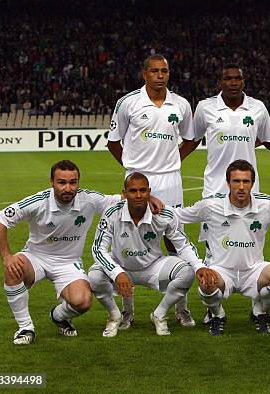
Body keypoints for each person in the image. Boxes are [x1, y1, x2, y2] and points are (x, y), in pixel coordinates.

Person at [106, 54, 195, 328]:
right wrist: (133, 171)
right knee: (127, 238)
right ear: (144, 74)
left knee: (174, 239)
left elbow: (190, 138)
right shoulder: (127, 103)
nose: (160, 75)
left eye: (164, 71)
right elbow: (113, 142)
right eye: (154, 71)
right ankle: (127, 310)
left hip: (170, 181)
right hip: (137, 182)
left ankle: (181, 307)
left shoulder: (180, 104)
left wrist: (172, 162)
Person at [0, 160, 121, 345]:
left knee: (83, 301)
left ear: (78, 182)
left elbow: (125, 199)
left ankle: (58, 316)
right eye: (61, 182)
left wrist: (151, 199)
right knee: (13, 269)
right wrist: (7, 257)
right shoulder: (38, 201)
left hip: (68, 262)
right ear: (51, 182)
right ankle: (25, 327)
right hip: (35, 256)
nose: (68, 188)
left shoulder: (89, 199)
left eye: (73, 182)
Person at [173, 160, 270, 335]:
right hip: (222, 270)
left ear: (252, 184)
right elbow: (178, 215)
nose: (241, 187)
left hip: (254, 269)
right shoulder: (210, 206)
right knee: (207, 284)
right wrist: (151, 204)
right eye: (236, 181)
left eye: (246, 181)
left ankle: (259, 312)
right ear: (228, 183)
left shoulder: (266, 206)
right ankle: (218, 315)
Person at [89, 173, 203, 337]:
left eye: (143, 190)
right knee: (94, 276)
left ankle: (159, 314)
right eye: (133, 191)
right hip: (121, 266)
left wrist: (199, 266)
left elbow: (183, 245)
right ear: (125, 193)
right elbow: (98, 249)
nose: (138, 195)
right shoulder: (112, 213)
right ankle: (115, 316)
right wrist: (117, 272)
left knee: (186, 272)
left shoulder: (163, 214)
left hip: (153, 266)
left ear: (149, 192)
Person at [185, 63, 270, 198]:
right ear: (220, 83)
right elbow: (193, 140)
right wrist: (173, 159)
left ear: (243, 82)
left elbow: (269, 140)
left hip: (248, 190)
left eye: (238, 78)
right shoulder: (205, 107)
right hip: (215, 190)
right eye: (228, 79)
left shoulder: (258, 107)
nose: (234, 83)